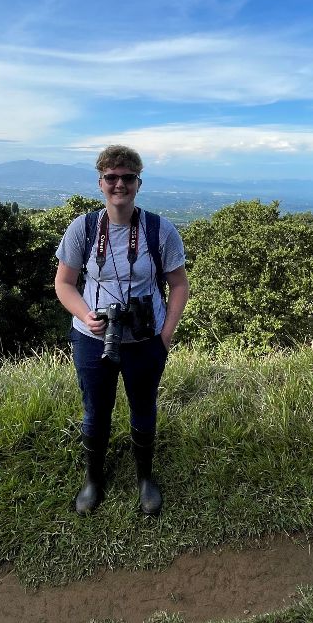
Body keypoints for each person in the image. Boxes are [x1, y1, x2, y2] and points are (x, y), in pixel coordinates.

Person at [55, 145, 189, 516]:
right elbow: (64, 284)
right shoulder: (83, 229)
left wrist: (166, 334)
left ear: (138, 183)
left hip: (146, 338)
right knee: (95, 410)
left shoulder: (159, 230)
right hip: (91, 337)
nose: (119, 185)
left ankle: (145, 478)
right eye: (111, 178)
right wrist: (87, 314)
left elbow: (179, 284)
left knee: (143, 407)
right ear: (100, 183)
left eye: (127, 177)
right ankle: (93, 479)